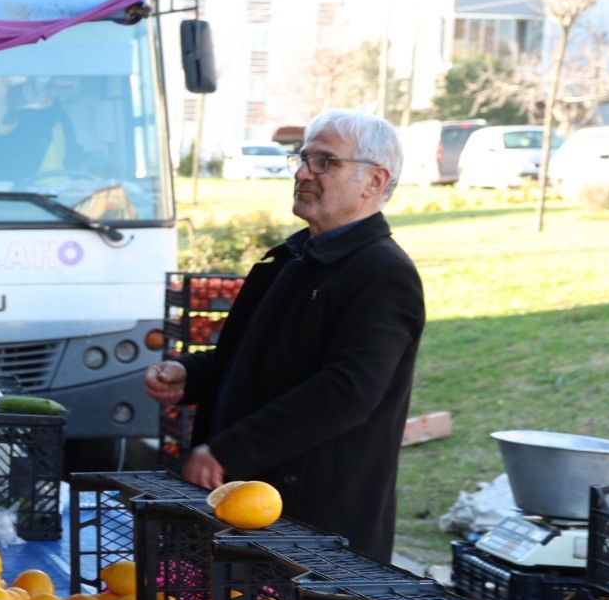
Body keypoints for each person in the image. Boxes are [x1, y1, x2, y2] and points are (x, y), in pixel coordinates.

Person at [146, 108, 425, 562]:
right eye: (303, 158)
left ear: (375, 181)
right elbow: (255, 356)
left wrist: (229, 451)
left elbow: (348, 392)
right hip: (253, 511)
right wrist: (189, 374)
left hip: (315, 532)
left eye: (324, 162)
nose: (301, 173)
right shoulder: (296, 257)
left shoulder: (382, 274)